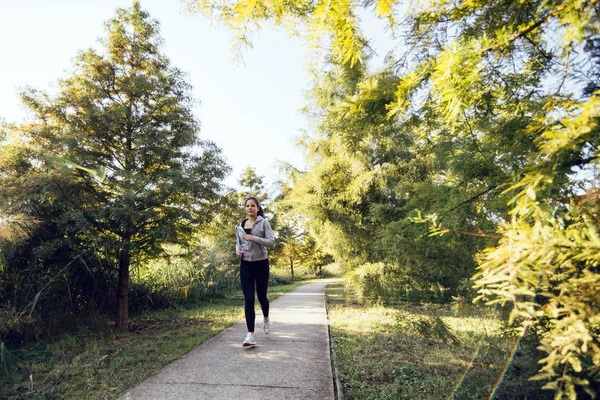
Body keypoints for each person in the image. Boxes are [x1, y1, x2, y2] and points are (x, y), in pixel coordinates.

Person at [235, 196, 276, 346]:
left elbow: (272, 243)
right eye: (247, 206)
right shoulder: (239, 226)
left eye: (253, 205)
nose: (250, 208)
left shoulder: (264, 223)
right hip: (245, 264)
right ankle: (250, 335)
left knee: (262, 297)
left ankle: (266, 317)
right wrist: (238, 252)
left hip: (261, 264)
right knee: (249, 299)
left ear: (257, 208)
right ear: (245, 208)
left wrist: (254, 238)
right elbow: (238, 244)